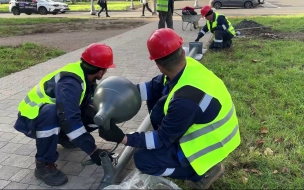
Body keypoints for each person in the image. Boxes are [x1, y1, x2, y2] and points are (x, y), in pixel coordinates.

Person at [98, 28, 241, 189]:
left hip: (210, 146)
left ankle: (202, 172)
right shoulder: (187, 67)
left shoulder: (185, 99)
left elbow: (161, 139)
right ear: (181, 51)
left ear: (158, 65)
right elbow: (150, 88)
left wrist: (123, 138)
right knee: (158, 104)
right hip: (212, 129)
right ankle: (185, 160)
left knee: (143, 159)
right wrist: (115, 97)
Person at [13, 43, 115, 186]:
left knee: (93, 111)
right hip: (32, 117)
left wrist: (110, 128)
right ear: (100, 72)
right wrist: (93, 150)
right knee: (52, 114)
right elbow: (69, 119)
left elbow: (86, 107)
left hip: (52, 114)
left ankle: (64, 137)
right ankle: (43, 164)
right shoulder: (70, 82)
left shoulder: (86, 78)